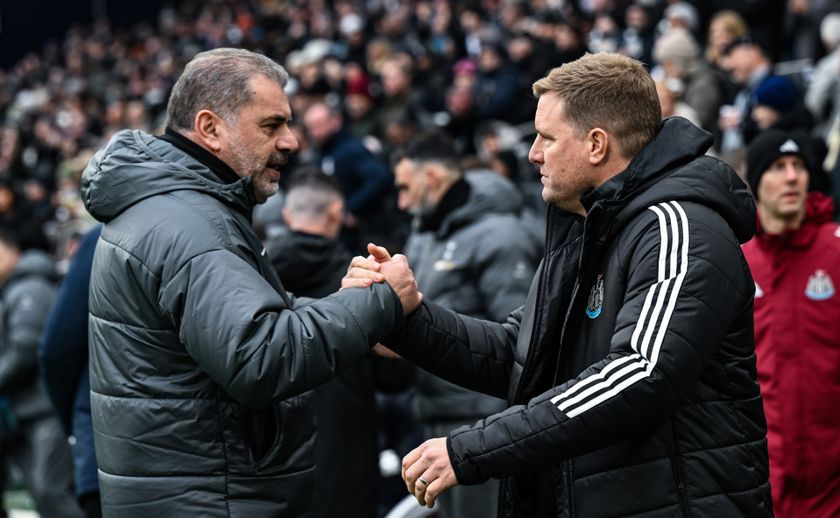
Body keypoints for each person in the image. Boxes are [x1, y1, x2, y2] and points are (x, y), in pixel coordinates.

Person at [345, 52, 772, 516]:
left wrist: (471, 448)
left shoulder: (678, 226)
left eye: (546, 137)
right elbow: (518, 355)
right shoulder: (587, 229)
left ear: (596, 144)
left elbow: (641, 375)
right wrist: (409, 319)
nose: (532, 153)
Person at [80, 48, 412, 517]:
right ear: (210, 128)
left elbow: (232, 326)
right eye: (271, 126)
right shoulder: (188, 223)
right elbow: (259, 357)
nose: (292, 142)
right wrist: (380, 304)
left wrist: (345, 304)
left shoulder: (177, 209)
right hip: (212, 501)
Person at [392, 131, 540, 518]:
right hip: (434, 410)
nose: (401, 202)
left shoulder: (500, 235)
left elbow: (524, 340)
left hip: (481, 421)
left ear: (433, 179)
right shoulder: (426, 234)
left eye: (405, 188)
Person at [265, 170, 379, 518]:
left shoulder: (254, 278)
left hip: (270, 457)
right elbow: (396, 375)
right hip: (347, 456)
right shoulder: (364, 282)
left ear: (287, 215)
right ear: (337, 212)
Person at [742, 131, 840, 518]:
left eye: (798, 167)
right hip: (762, 480)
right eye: (779, 168)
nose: (792, 177)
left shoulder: (835, 250)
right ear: (757, 180)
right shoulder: (736, 261)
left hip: (831, 484)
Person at [0, 230, 81, 518]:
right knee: (42, 489)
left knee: (50, 490)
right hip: (29, 411)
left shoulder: (28, 289)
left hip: (45, 408)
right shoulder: (15, 288)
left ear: (13, 251)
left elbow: (26, 349)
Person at [39, 224, 102, 518]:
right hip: (199, 470)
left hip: (105, 451)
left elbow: (58, 348)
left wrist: (78, 423)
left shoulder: (105, 235)